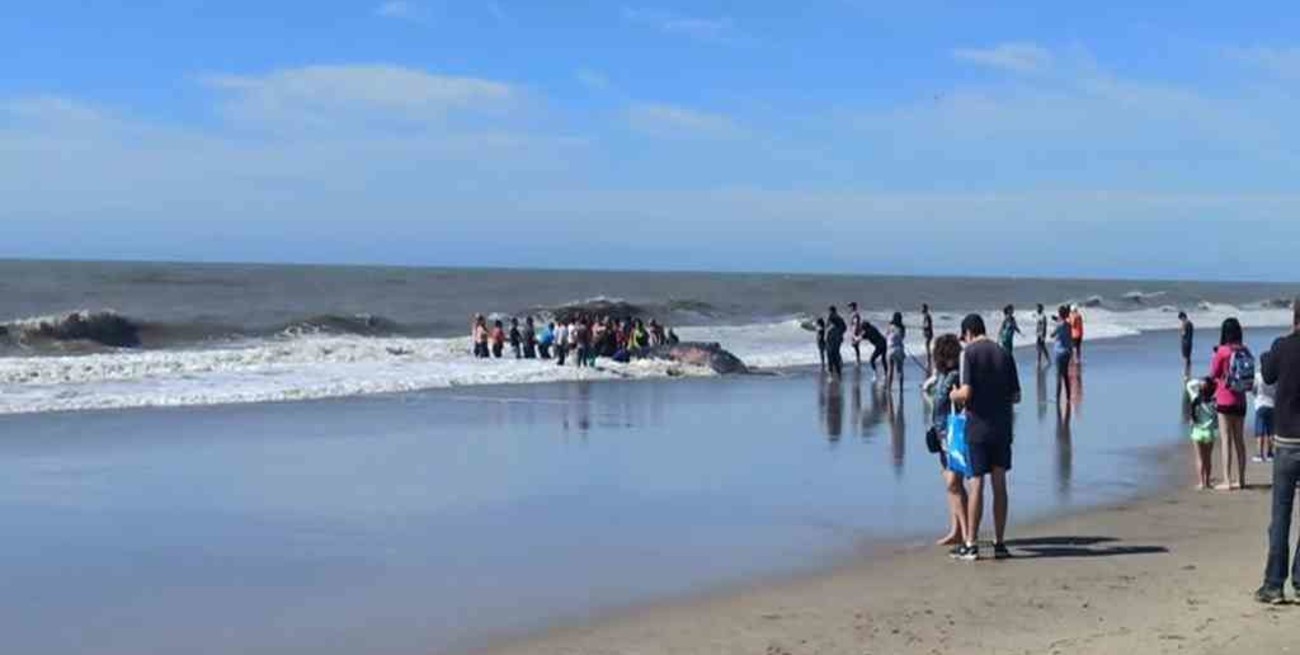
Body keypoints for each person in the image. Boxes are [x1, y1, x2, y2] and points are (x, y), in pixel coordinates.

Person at [950, 313, 1021, 561]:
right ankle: (999, 543)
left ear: (968, 333)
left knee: (976, 483)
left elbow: (966, 392)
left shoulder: (968, 354)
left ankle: (971, 543)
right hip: (1002, 427)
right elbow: (1016, 396)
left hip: (978, 428)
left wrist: (953, 394)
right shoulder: (1004, 353)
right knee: (999, 484)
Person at [1257, 300, 1300, 604]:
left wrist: (1267, 355)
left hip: (1286, 440)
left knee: (1281, 514)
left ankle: (1274, 584)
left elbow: (1268, 374)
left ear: (1294, 317)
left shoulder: (1283, 346)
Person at [922, 333, 968, 551]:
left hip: (953, 434)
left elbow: (959, 401)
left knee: (953, 484)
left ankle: (967, 533)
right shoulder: (941, 375)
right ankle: (956, 530)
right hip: (941, 435)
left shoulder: (955, 376)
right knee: (951, 487)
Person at [1210, 317, 1252, 490]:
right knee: (1239, 440)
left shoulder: (1222, 351)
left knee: (1226, 439)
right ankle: (1241, 479)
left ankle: (1227, 480)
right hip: (1241, 399)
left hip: (1224, 399)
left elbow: (1214, 373)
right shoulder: (1245, 350)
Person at [1187, 377, 1219, 490]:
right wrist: (1209, 383)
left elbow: (1189, 385)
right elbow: (1217, 385)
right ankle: (1207, 482)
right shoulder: (1214, 401)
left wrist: (1199, 382)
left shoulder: (1195, 398)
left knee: (1199, 458)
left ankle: (1201, 483)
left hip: (1197, 432)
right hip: (1209, 432)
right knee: (1208, 458)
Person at [1253, 366, 1276, 463]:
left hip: (1260, 404)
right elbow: (1276, 390)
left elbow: (1254, 390)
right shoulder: (1274, 377)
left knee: (1260, 431)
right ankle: (1270, 453)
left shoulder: (1258, 376)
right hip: (1272, 405)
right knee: (1271, 431)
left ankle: (1260, 454)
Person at [1051, 305, 1074, 403]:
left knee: (1058, 376)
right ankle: (1068, 397)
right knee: (1065, 375)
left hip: (1059, 352)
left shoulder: (1059, 325)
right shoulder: (1069, 325)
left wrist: (1056, 322)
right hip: (1067, 352)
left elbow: (1052, 335)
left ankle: (1057, 398)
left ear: (1059, 314)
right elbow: (1070, 337)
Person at [886, 312, 906, 393]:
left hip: (890, 349)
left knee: (890, 370)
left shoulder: (890, 326)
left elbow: (887, 336)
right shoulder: (902, 328)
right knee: (900, 370)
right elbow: (903, 337)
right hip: (899, 349)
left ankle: (889, 388)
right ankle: (901, 388)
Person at [825, 306, 847, 378]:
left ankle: (832, 370)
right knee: (836, 352)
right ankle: (839, 366)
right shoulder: (839, 318)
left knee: (831, 353)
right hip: (839, 338)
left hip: (834, 338)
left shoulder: (831, 316)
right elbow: (845, 328)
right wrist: (840, 334)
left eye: (829, 311)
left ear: (831, 311)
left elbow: (826, 325)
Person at [1179, 312, 1195, 378]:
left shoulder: (1185, 324)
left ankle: (1186, 372)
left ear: (1183, 317)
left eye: (1181, 319)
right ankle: (1189, 371)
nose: (1181, 320)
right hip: (1190, 342)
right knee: (1188, 358)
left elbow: (1183, 333)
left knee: (1185, 357)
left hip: (1185, 342)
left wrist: (1181, 329)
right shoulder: (1190, 323)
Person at [849, 302, 864, 367]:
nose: (850, 308)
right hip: (854, 331)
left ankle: (858, 360)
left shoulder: (855, 314)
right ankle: (858, 359)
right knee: (855, 346)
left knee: (856, 346)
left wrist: (854, 333)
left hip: (855, 332)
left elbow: (856, 324)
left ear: (854, 307)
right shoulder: (854, 314)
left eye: (851, 306)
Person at [922, 304, 935, 372]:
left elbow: (927, 325)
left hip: (928, 333)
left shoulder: (927, 316)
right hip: (929, 333)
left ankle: (928, 361)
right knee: (927, 346)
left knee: (927, 346)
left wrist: (923, 327)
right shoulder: (927, 316)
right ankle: (928, 360)